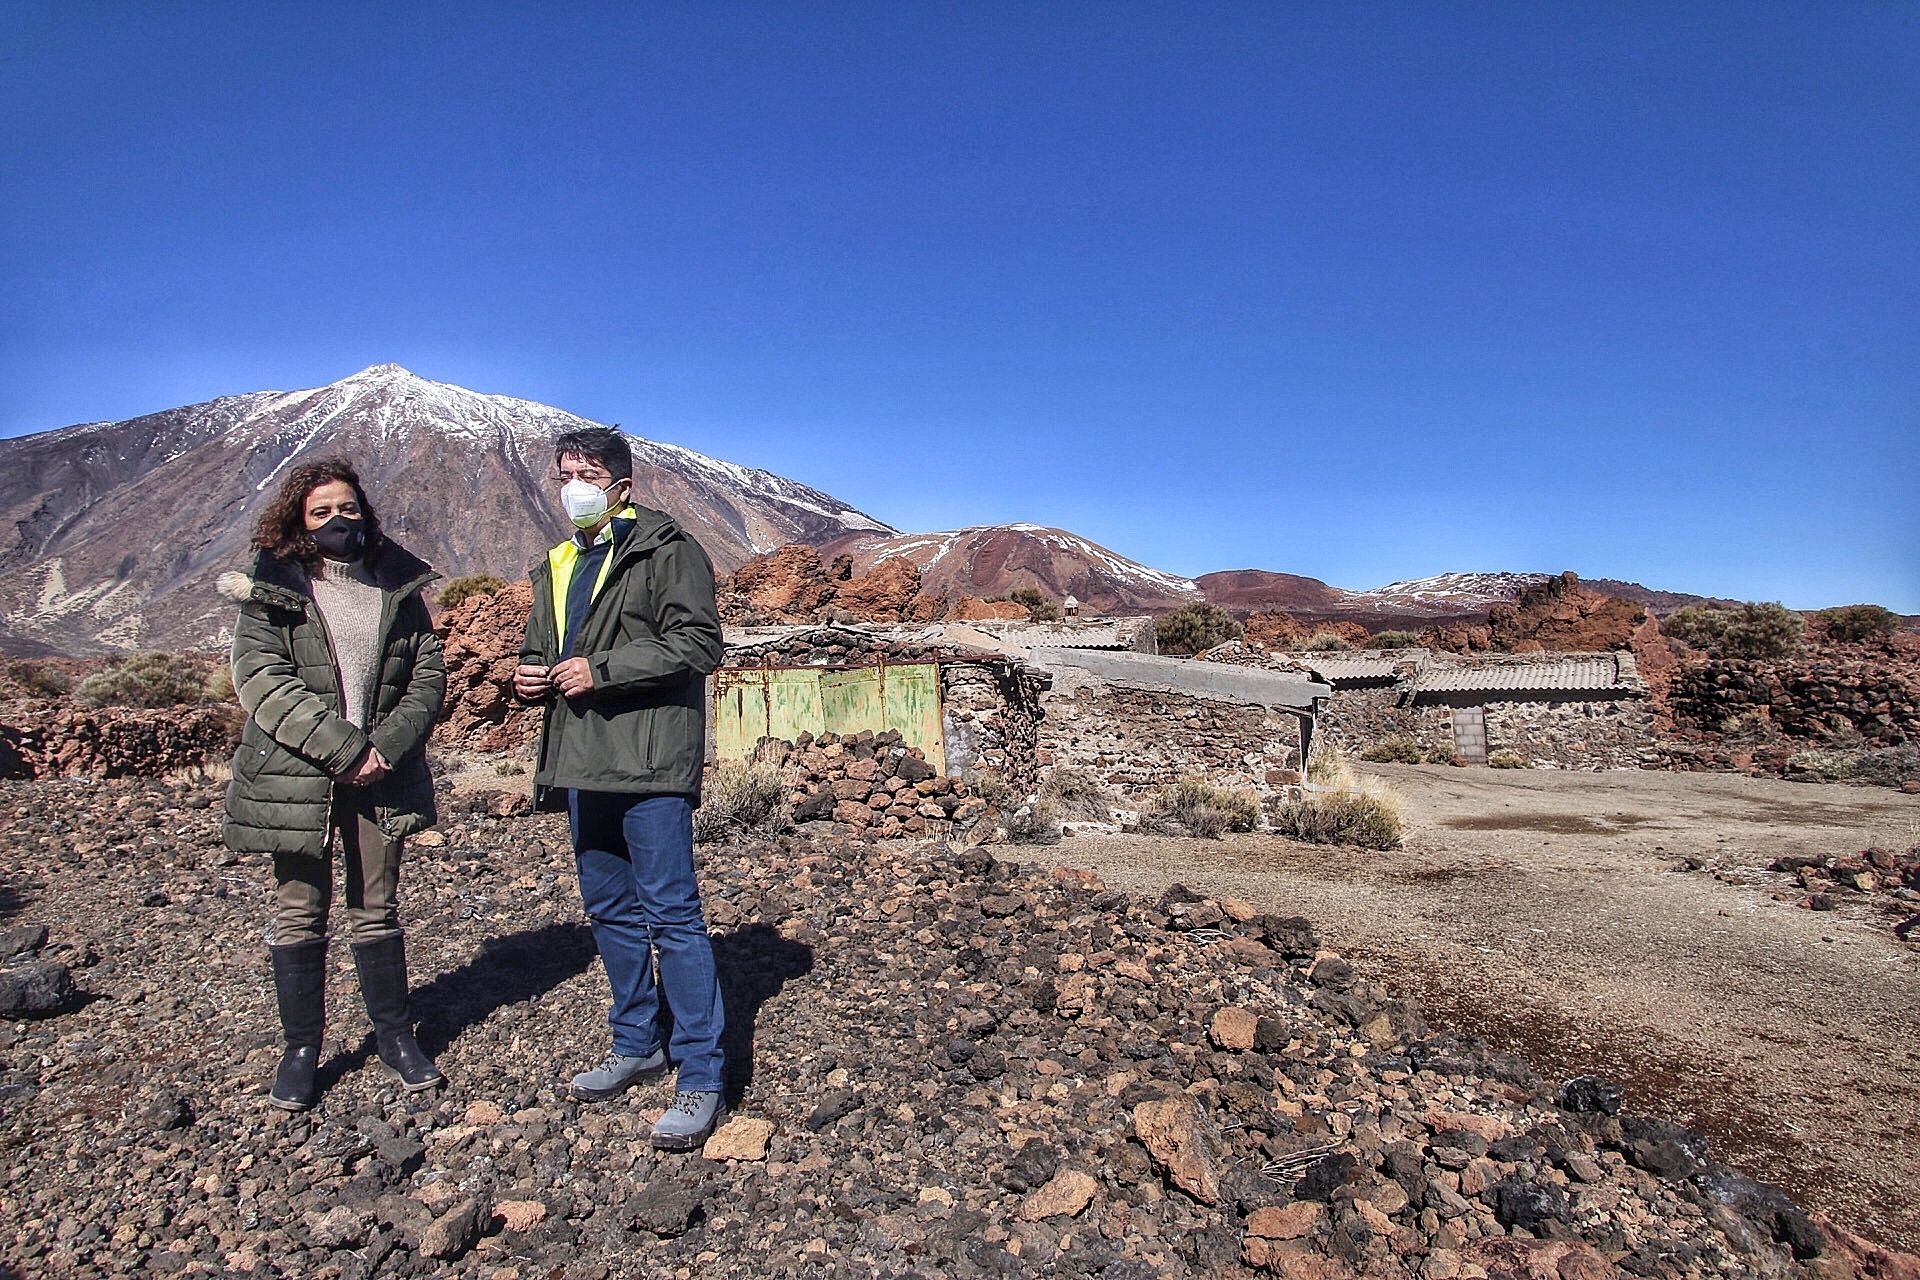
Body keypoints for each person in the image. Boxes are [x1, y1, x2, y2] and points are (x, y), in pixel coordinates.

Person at [514, 426, 729, 1151]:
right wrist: (528, 675)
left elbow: (700, 643)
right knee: (608, 909)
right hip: (582, 762)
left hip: (648, 761)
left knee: (673, 915)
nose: (575, 483)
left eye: (589, 472)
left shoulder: (668, 552)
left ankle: (701, 1073)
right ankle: (637, 1041)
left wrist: (603, 670)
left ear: (622, 487)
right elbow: (546, 649)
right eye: (565, 472)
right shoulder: (558, 562)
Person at [221, 457, 448, 1111]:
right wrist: (344, 751)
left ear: (364, 511)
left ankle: (396, 1037)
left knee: (377, 906)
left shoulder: (396, 586)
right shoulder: (275, 586)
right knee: (299, 907)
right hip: (299, 771)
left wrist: (384, 748)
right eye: (320, 511)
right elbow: (261, 678)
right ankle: (301, 1050)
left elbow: (426, 674)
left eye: (346, 507)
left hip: (383, 770)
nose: (336, 519)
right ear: (299, 518)